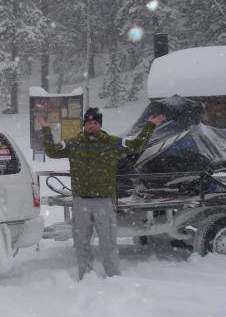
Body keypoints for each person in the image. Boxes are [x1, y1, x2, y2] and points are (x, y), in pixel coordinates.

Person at [37, 107, 166, 279]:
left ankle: (113, 277)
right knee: (81, 242)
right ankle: (85, 276)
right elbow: (52, 151)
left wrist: (149, 125)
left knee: (109, 242)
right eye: (89, 123)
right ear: (84, 125)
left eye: (95, 123)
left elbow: (137, 146)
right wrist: (46, 129)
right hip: (81, 201)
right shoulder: (74, 143)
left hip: (104, 201)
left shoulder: (112, 143)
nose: (92, 126)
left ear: (100, 125)